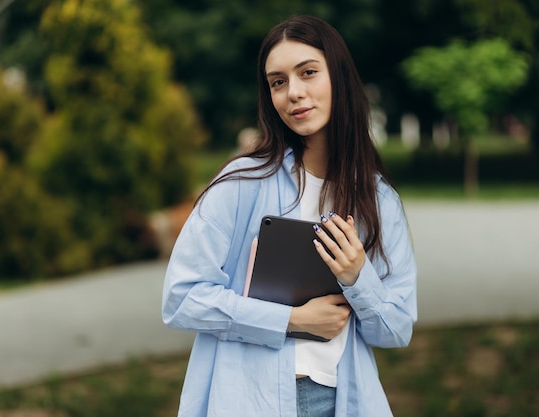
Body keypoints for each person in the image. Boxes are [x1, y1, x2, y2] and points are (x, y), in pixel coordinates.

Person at [162, 15, 417, 417]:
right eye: (278, 82)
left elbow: (397, 329)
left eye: (308, 73)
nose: (293, 93)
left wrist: (358, 277)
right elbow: (182, 298)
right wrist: (291, 319)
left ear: (340, 78)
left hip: (342, 402)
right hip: (250, 400)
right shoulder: (241, 183)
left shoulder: (378, 199)